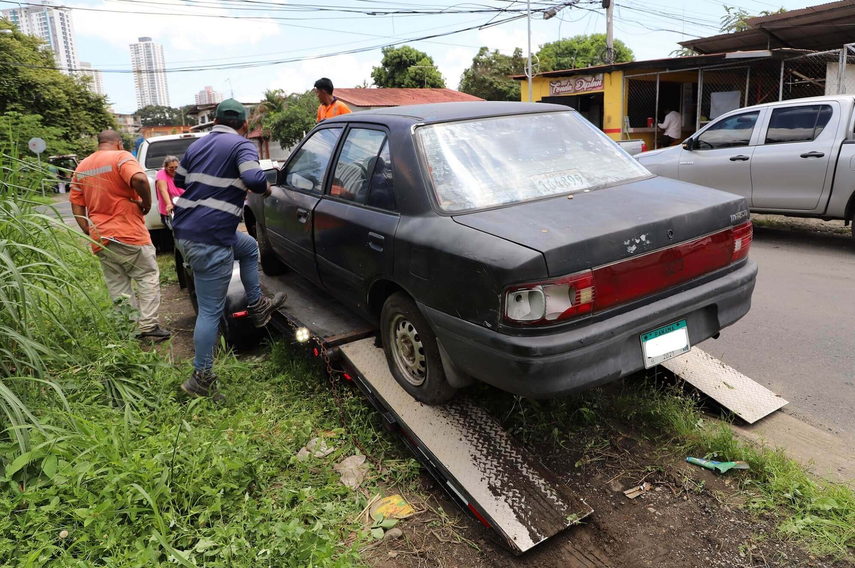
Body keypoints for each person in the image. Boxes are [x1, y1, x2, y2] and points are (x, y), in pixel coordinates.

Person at [172, 99, 286, 399]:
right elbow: (253, 178)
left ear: (214, 121)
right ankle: (201, 377)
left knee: (248, 247)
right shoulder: (241, 145)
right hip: (210, 236)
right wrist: (266, 188)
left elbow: (179, 179)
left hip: (185, 230)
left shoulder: (197, 146)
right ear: (245, 125)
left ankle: (257, 305)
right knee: (210, 311)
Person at [70, 130, 171, 341]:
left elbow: (76, 203)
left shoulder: (82, 166)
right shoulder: (121, 156)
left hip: (101, 237)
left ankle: (129, 329)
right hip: (129, 233)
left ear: (99, 143)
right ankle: (149, 326)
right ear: (118, 143)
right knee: (146, 277)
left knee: (118, 284)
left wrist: (87, 229)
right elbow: (140, 179)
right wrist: (146, 202)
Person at [155, 155, 183, 227]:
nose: (174, 170)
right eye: (171, 168)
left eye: (176, 167)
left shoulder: (182, 173)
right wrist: (169, 204)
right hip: (171, 211)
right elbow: (163, 190)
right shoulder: (161, 173)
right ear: (166, 168)